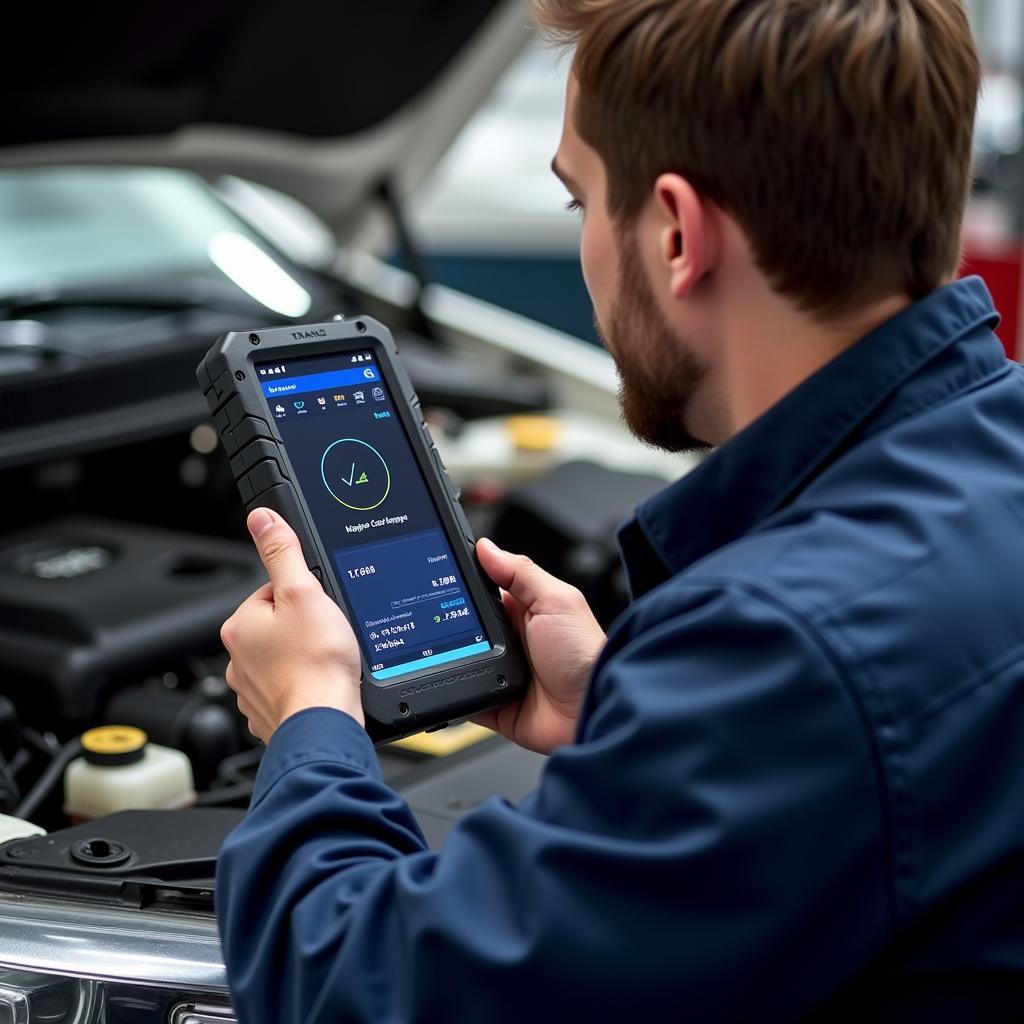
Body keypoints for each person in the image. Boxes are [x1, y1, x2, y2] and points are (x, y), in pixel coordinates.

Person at [216, 1, 1024, 1020]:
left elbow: (356, 985)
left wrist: (311, 718)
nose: (590, 248)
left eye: (579, 202)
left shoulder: (785, 649)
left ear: (678, 232)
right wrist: (623, 708)